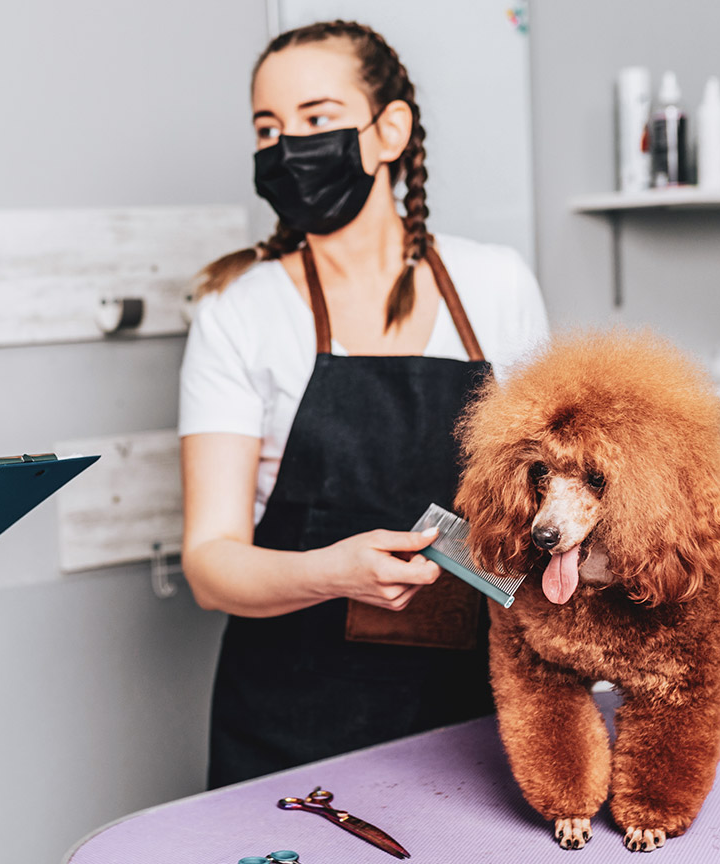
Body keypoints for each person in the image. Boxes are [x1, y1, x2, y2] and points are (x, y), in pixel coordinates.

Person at [179, 20, 549, 789]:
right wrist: (331, 573)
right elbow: (211, 565)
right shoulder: (239, 312)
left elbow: (545, 494)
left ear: (390, 131)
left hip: (476, 710)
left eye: (316, 119)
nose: (288, 148)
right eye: (267, 129)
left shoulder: (496, 285)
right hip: (292, 722)